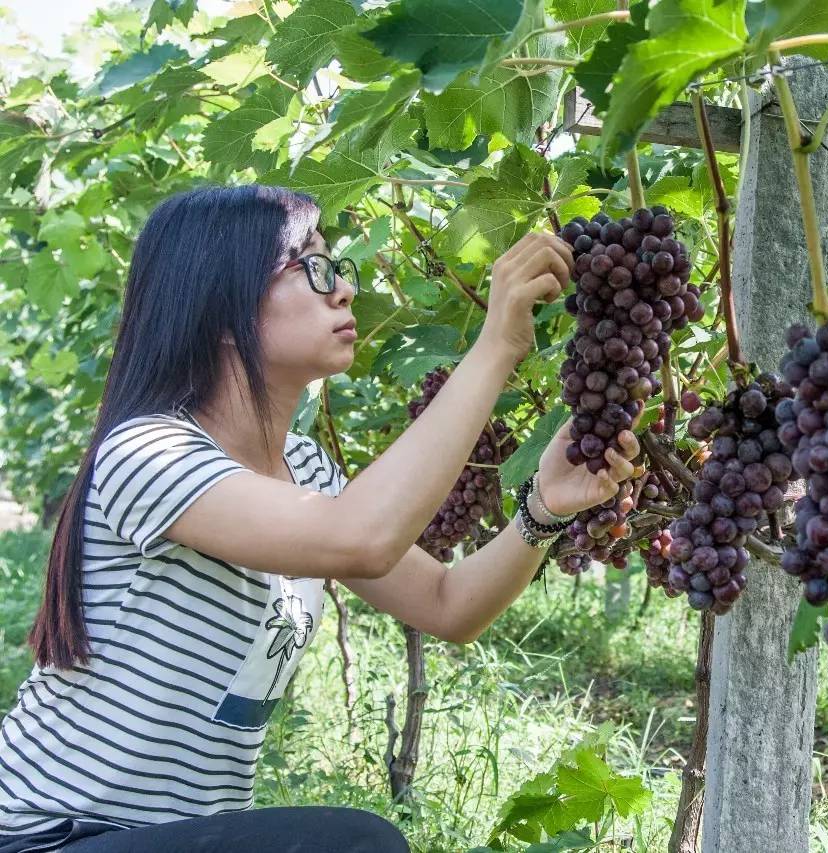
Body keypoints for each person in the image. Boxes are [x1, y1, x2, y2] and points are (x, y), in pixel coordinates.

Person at [0, 185, 638, 852]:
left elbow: (450, 604)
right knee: (358, 844)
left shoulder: (304, 468)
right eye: (312, 267)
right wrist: (495, 345)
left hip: (177, 838)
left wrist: (543, 505)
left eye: (340, 270)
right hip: (53, 835)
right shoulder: (148, 451)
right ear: (223, 306)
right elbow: (361, 538)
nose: (343, 292)